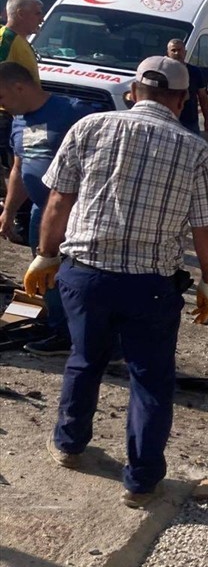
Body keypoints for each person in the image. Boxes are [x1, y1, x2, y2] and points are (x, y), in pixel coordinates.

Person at [24, 56, 208, 509]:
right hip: (149, 286)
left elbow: (58, 201)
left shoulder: (90, 127)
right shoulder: (194, 150)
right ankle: (141, 483)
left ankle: (69, 445)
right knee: (150, 380)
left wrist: (45, 255)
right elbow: (207, 229)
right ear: (181, 100)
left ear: (133, 92)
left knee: (84, 360)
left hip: (85, 275)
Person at [0, 62, 98, 355]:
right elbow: (19, 168)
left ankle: (84, 333)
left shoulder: (73, 112)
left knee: (76, 275)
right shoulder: (19, 120)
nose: (1, 106)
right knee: (44, 271)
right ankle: (58, 330)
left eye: (1, 97)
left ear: (19, 87)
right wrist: (8, 211)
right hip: (39, 212)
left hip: (75, 213)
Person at [0, 0, 43, 178]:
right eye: (37, 13)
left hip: (25, 117)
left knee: (25, 168)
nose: (42, 19)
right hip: (7, 118)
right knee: (13, 171)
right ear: (20, 14)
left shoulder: (20, 40)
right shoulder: (6, 39)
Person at [166, 39, 208, 136]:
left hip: (190, 121)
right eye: (173, 50)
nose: (177, 53)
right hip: (168, 120)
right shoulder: (163, 71)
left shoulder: (195, 72)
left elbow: (202, 97)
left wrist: (207, 120)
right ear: (168, 53)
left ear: (185, 52)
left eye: (180, 50)